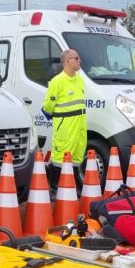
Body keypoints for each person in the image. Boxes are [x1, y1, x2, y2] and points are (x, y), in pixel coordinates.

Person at [42, 49, 86, 188]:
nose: (79, 61)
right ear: (68, 61)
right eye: (76, 58)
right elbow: (48, 106)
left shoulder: (80, 79)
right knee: (59, 158)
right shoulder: (57, 81)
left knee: (77, 157)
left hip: (79, 127)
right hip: (65, 127)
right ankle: (54, 187)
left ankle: (71, 187)